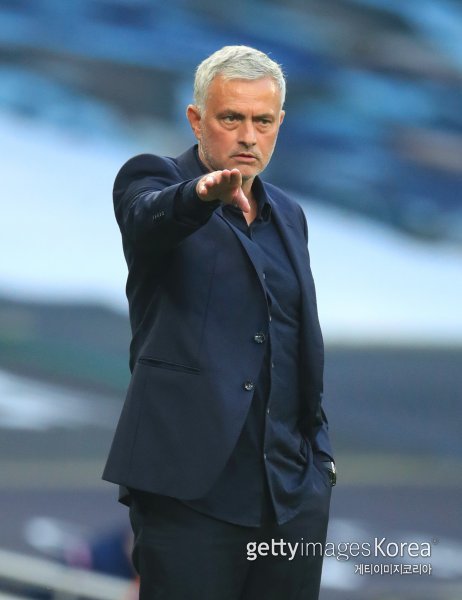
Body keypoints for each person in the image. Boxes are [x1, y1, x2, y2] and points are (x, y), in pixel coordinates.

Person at [103, 45, 335, 600]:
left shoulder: (289, 214)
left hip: (289, 495)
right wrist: (197, 196)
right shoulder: (154, 179)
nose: (248, 136)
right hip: (189, 495)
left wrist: (319, 462)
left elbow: (293, 337)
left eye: (263, 121)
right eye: (231, 118)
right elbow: (146, 218)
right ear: (196, 119)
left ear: (279, 124)